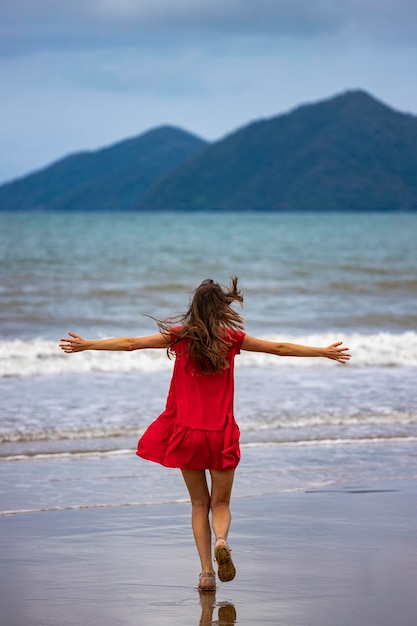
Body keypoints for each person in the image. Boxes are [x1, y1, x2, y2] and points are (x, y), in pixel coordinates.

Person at [59, 277, 350, 592]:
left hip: (188, 435)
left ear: (193, 308)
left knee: (199, 503)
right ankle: (222, 540)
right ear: (222, 308)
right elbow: (278, 349)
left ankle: (206, 574)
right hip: (221, 435)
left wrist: (88, 344)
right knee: (220, 504)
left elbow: (131, 343)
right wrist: (322, 352)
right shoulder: (232, 339)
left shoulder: (180, 336)